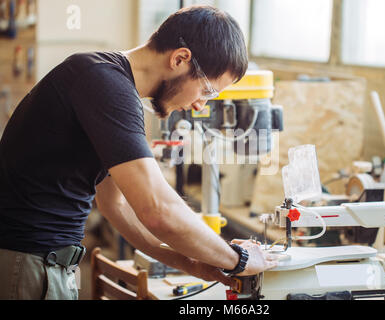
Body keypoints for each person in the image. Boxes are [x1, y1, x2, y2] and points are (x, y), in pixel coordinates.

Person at [0, 5, 277, 300]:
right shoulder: (105, 85)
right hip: (29, 262)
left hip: (43, 261)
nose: (201, 106)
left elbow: (114, 205)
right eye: (206, 91)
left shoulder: (107, 81)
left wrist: (191, 262)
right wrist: (239, 259)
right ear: (180, 59)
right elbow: (158, 210)